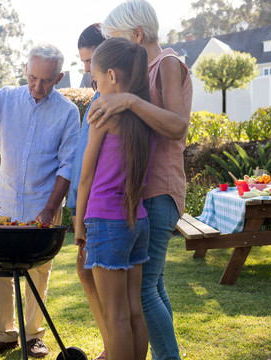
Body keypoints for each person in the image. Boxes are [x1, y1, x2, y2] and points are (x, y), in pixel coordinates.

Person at [0, 43, 79, 358]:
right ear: (26, 70)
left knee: (38, 271)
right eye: (33, 77)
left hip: (44, 204)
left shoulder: (67, 112)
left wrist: (50, 209)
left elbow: (68, 165)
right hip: (4, 202)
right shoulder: (7, 99)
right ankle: (2, 335)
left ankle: (34, 335)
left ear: (58, 77)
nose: (38, 86)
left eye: (46, 80)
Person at [88, 1, 193, 359]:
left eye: (115, 40)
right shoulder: (143, 72)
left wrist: (129, 100)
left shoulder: (166, 64)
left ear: (136, 35)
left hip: (159, 190)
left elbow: (178, 126)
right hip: (139, 197)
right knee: (154, 286)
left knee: (145, 291)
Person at [75, 36, 155, 360]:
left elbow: (86, 177)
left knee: (115, 315)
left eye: (95, 79)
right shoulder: (145, 113)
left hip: (105, 220)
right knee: (135, 311)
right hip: (138, 221)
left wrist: (79, 225)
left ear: (111, 75)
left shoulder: (102, 112)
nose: (95, 87)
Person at [66, 23, 108, 360]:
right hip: (84, 203)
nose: (86, 69)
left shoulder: (109, 100)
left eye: (90, 60)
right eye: (83, 62)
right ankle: (112, 346)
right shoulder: (97, 96)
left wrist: (82, 211)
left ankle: (115, 348)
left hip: (99, 205)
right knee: (84, 271)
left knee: (98, 275)